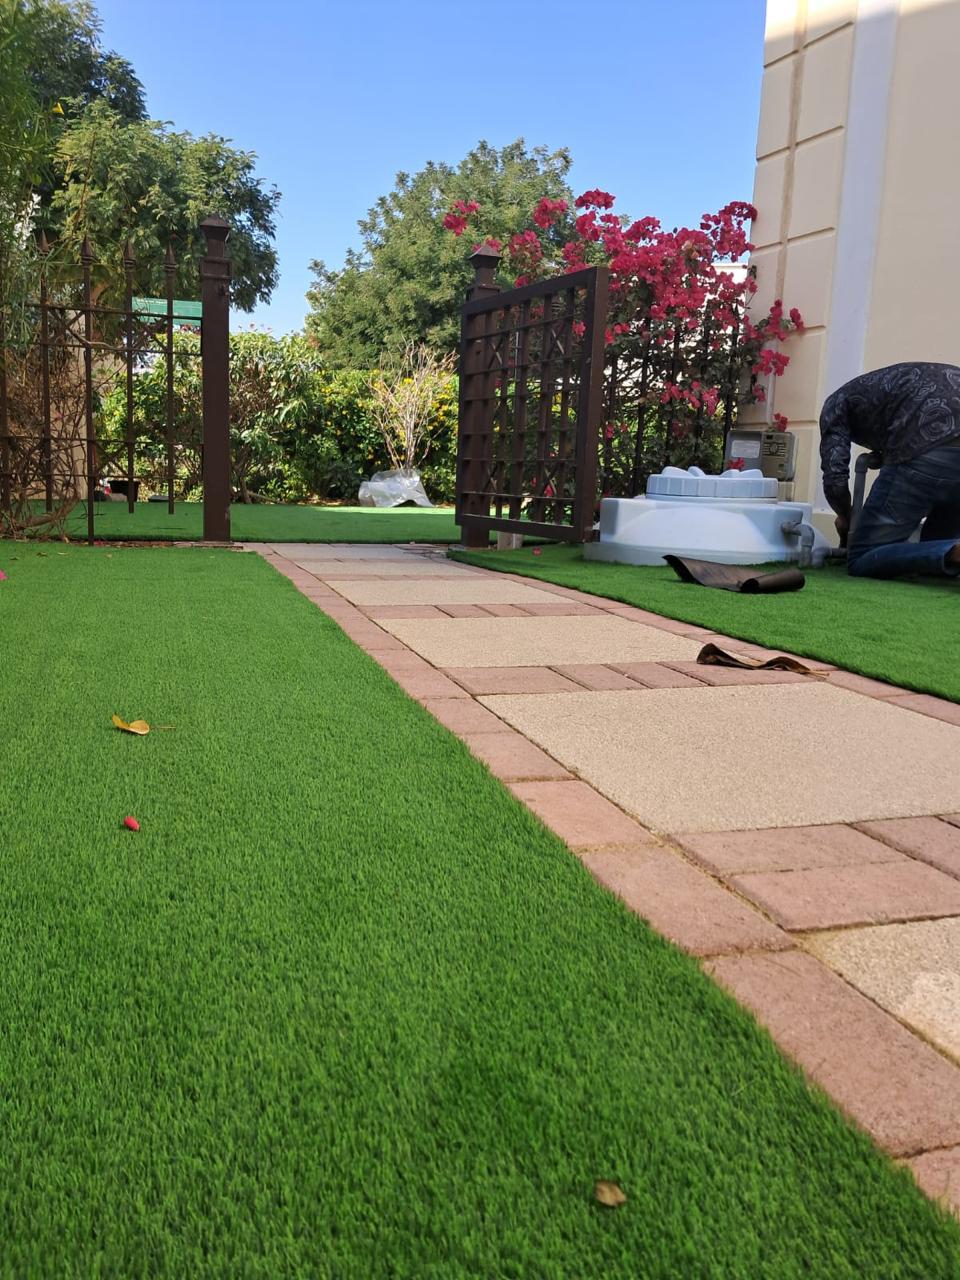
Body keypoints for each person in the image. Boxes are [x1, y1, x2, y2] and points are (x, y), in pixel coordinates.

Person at [819, 362, 960, 578]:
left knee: (863, 557)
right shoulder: (885, 386)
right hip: (932, 435)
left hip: (925, 439)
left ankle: (954, 553)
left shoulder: (835, 404)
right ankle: (950, 552)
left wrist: (846, 516)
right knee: (935, 551)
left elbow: (835, 480)